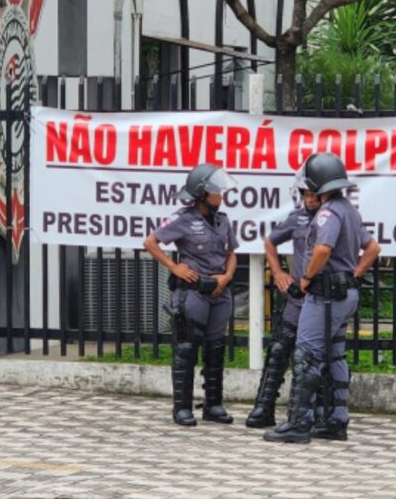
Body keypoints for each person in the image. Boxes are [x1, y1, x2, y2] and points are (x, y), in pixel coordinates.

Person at [264, 152, 381, 443]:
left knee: (306, 354)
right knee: (335, 354)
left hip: (325, 297)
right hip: (344, 294)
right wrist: (353, 274)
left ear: (318, 185)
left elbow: (322, 250)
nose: (306, 192)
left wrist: (305, 279)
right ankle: (335, 421)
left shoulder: (328, 213)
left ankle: (299, 424)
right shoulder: (349, 209)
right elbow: (373, 249)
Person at [144, 163, 239, 426]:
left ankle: (213, 405)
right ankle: (182, 408)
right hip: (193, 294)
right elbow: (150, 242)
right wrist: (174, 266)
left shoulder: (223, 221)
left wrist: (227, 276)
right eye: (216, 192)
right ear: (201, 194)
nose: (221, 196)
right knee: (186, 348)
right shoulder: (183, 219)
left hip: (220, 292)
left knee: (215, 348)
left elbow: (232, 253)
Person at [245, 178, 320, 428]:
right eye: (306, 194)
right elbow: (270, 241)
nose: (310, 200)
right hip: (297, 297)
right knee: (278, 350)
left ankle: (316, 413)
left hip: (322, 299)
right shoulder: (297, 217)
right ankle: (264, 407)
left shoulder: (335, 217)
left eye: (314, 194)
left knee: (315, 356)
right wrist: (277, 272)